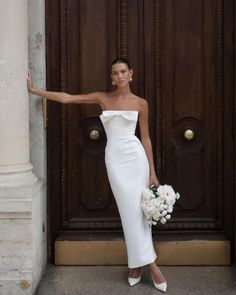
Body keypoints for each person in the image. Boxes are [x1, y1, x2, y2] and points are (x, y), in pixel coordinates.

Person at [27, 57, 167, 292]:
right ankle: (150, 265)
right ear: (111, 77)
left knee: (140, 212)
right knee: (128, 212)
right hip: (115, 160)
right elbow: (68, 98)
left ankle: (139, 266)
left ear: (131, 74)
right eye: (115, 73)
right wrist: (33, 90)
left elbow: (145, 138)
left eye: (123, 72)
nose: (119, 76)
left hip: (136, 160)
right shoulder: (103, 98)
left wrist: (152, 172)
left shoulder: (141, 103)